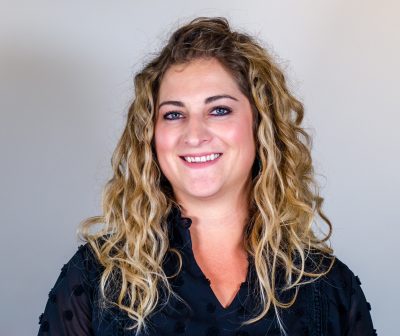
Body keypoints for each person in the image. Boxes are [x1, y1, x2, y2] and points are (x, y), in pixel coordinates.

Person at [37, 17, 376, 335]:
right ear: (150, 136)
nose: (194, 134)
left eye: (219, 110)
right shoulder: (95, 277)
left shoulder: (328, 287)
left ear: (261, 126)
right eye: (173, 114)